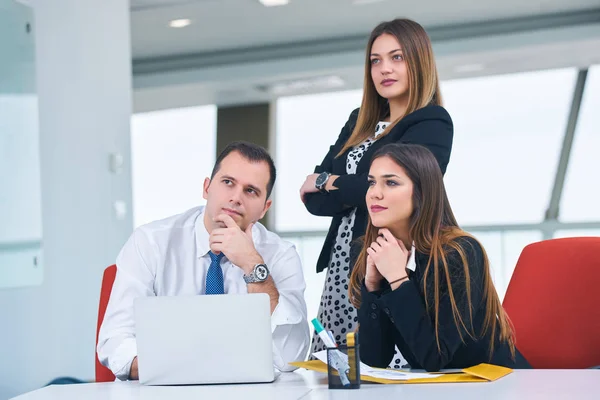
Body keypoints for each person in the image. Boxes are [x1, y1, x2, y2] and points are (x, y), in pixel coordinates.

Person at [300, 18, 453, 368]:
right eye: (376, 60)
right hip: (343, 259)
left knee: (385, 367)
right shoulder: (359, 120)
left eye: (397, 57)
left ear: (418, 61)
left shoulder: (432, 122)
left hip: (391, 255)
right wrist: (337, 187)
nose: (385, 68)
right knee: (335, 370)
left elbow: (411, 187)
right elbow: (315, 202)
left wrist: (329, 180)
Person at [97, 141, 310, 380]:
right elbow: (114, 341)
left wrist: (253, 265)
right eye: (228, 182)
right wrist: (186, 368)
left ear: (264, 208)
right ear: (206, 188)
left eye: (251, 191)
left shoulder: (280, 254)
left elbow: (291, 355)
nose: (236, 198)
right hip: (164, 390)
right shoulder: (150, 242)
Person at [350, 143, 531, 371]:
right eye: (371, 182)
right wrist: (372, 286)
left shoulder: (460, 252)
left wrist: (397, 279)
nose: (375, 193)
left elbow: (436, 358)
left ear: (422, 192)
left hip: (499, 384)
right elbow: (374, 359)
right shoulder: (368, 251)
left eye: (391, 182)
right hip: (436, 389)